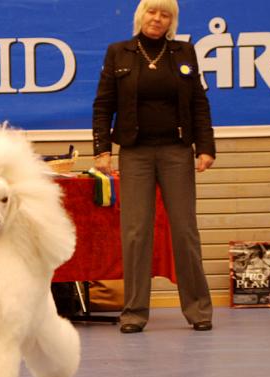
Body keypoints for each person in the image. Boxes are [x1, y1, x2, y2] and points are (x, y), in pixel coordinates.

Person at [92, 0, 215, 334]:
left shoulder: (184, 52)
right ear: (140, 16)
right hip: (136, 153)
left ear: (171, 21)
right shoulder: (119, 53)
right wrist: (102, 149)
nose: (157, 19)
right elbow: (103, 105)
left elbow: (199, 104)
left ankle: (199, 310)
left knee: (184, 231)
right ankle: (133, 313)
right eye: (152, 12)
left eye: (165, 14)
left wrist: (205, 147)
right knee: (135, 232)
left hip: (176, 151)